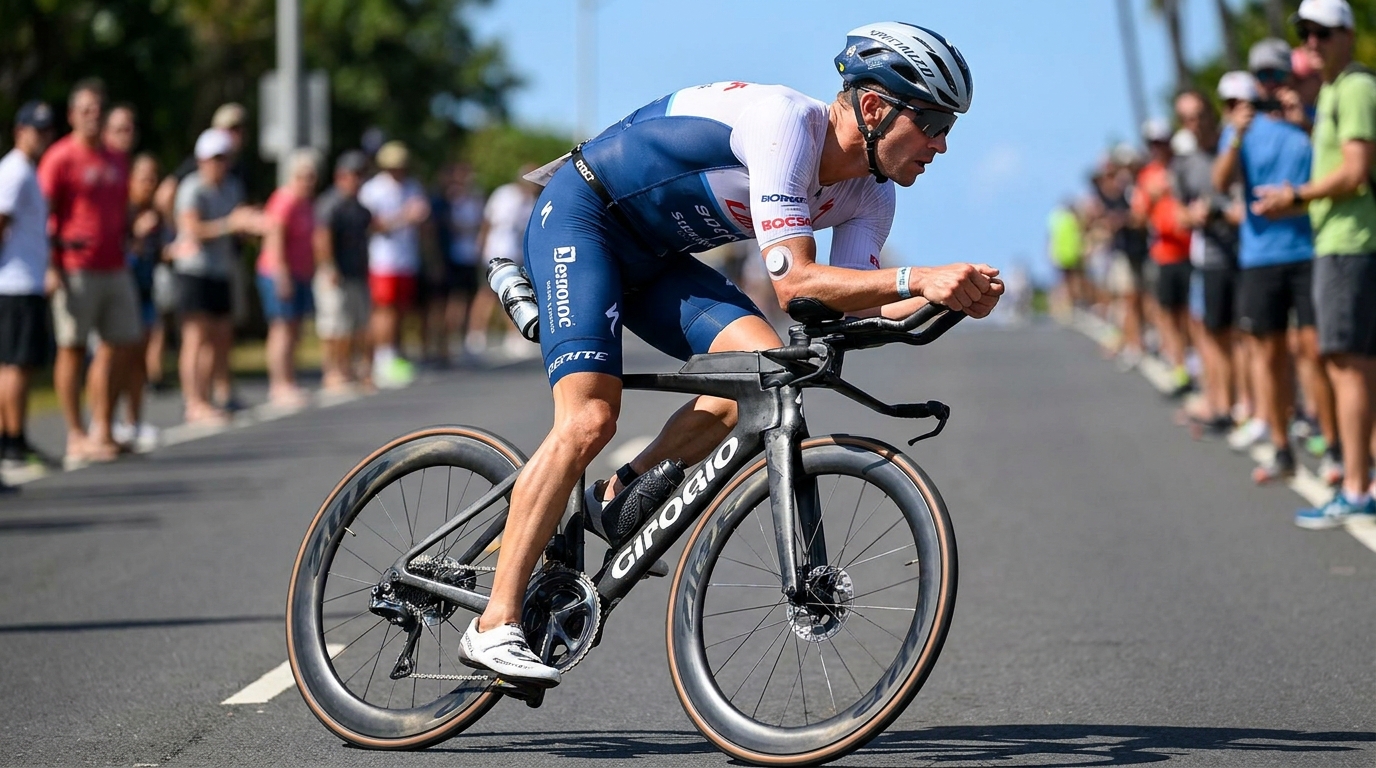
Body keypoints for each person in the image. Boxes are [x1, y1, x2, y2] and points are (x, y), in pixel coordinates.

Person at [455, 22, 1001, 687]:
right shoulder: (786, 126)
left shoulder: (871, 192)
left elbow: (852, 298)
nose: (943, 144)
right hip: (584, 217)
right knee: (590, 419)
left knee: (761, 372)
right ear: (877, 107)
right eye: (936, 122)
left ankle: (617, 498)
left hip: (656, 259)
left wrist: (952, 298)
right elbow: (796, 281)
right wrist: (920, 278)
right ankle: (493, 626)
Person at [1254, 0, 1376, 527]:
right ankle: (1357, 478)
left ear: (1346, 34)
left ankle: (1355, 485)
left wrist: (1296, 196)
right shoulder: (1333, 92)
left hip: (1349, 242)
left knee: (1347, 365)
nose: (1311, 42)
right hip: (1336, 242)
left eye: (1322, 32)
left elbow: (1355, 171)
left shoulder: (1353, 89)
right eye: (1305, 32)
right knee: (1348, 364)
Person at [1213, 68, 1333, 484]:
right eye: (1230, 104)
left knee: (1317, 351)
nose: (1241, 108)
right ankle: (1282, 447)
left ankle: (1332, 444)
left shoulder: (1304, 119)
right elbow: (1219, 181)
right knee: (1269, 354)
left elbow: (1337, 164)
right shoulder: (1239, 135)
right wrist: (1236, 134)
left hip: (1308, 250)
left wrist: (1304, 120)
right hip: (1261, 258)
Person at [37, 78, 142, 467]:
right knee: (73, 348)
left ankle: (104, 427)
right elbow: (41, 215)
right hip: (74, 267)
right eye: (84, 110)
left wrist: (134, 232)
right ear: (71, 115)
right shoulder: (60, 157)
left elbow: (118, 211)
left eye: (97, 110)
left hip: (114, 264)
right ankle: (76, 433)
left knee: (121, 345)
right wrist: (50, 265)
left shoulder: (116, 158)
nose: (92, 117)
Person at [171, 128, 262, 426]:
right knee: (195, 338)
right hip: (194, 270)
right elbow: (192, 229)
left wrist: (251, 227)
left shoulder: (232, 187)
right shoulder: (191, 188)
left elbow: (237, 225)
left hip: (221, 269)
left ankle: (209, 397)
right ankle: (193, 402)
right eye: (215, 158)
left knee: (219, 337)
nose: (220, 164)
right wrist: (230, 225)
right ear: (202, 160)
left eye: (224, 158)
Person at [1171, 91, 1240, 436]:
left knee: (1243, 334)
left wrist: (1224, 213)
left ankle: (1239, 405)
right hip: (1210, 257)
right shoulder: (1185, 163)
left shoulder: (1231, 148)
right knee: (1213, 333)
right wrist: (1195, 215)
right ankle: (1221, 402)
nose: (1195, 124)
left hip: (1243, 253)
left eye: (1199, 115)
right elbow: (1178, 213)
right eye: (1187, 119)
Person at [0, 102, 57, 484]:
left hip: (28, 280)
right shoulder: (15, 171)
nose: (42, 136)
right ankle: (12, 442)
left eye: (46, 130)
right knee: (15, 364)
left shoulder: (27, 171)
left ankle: (14, 437)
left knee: (21, 364)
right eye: (35, 129)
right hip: (14, 282)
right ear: (20, 130)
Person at [359, 140, 428, 387]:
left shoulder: (412, 186)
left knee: (400, 309)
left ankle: (394, 355)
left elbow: (421, 217)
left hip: (406, 257)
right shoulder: (373, 190)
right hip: (383, 259)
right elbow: (371, 225)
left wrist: (419, 217)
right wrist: (404, 217)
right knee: (384, 310)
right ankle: (382, 358)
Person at [1134, 118, 1195, 397]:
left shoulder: (1182, 168)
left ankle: (1193, 362)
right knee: (1168, 313)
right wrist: (1153, 197)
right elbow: (1138, 215)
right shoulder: (1147, 175)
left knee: (1192, 314)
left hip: (1190, 250)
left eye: (1161, 142)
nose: (1158, 148)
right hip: (1164, 252)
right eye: (1153, 144)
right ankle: (1179, 365)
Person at [256, 148, 318, 409]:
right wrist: (281, 274)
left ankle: (289, 380)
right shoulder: (285, 200)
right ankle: (278, 384)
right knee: (281, 328)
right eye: (303, 175)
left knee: (294, 329)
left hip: (300, 272)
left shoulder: (305, 202)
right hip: (279, 272)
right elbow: (275, 238)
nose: (308, 180)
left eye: (311, 175)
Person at [115, 152, 167, 451]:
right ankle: (106, 420)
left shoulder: (155, 214)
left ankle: (133, 422)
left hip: (146, 292)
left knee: (140, 360)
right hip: (122, 291)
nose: (149, 183)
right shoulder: (123, 211)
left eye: (153, 178)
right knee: (115, 358)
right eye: (143, 177)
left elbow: (158, 253)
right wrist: (136, 233)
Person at [313, 150, 374, 391]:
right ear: (340, 176)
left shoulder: (360, 208)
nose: (357, 180)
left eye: (361, 175)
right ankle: (333, 371)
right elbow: (321, 237)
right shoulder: (331, 203)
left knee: (357, 326)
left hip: (356, 273)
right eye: (353, 174)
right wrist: (329, 267)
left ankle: (352, 369)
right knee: (334, 325)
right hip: (335, 273)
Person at [469, 166, 538, 356]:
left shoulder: (531, 201)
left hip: (515, 254)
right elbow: (488, 222)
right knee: (486, 295)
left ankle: (514, 336)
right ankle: (476, 334)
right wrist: (481, 247)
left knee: (514, 293)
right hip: (496, 253)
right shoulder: (504, 195)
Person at [429, 163, 485, 364]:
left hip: (469, 256)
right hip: (453, 256)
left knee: (467, 301)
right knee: (452, 303)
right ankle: (445, 345)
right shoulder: (448, 200)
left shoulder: (474, 199)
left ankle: (461, 343)